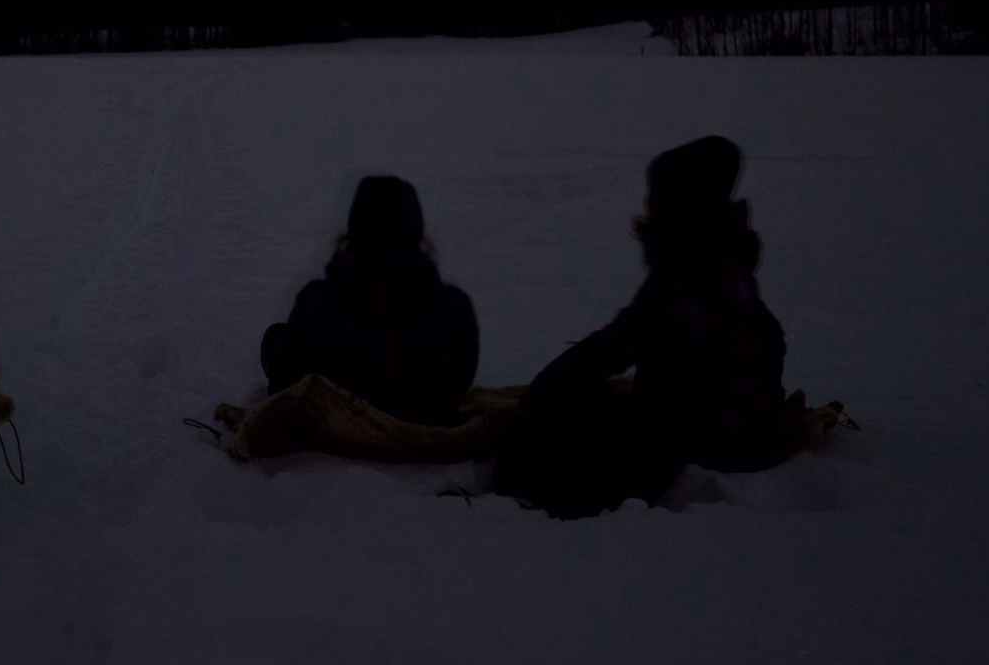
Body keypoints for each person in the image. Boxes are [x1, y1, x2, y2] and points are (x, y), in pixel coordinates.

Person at [494, 135, 788, 517]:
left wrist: (544, 391)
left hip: (709, 437)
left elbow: (613, 347)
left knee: (543, 427)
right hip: (742, 432)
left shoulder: (688, 277)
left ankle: (522, 504)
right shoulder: (724, 261)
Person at [259, 175, 480, 426]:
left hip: (336, 418)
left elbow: (285, 383)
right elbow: (460, 378)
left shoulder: (316, 299)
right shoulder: (454, 305)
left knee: (280, 338)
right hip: (427, 416)